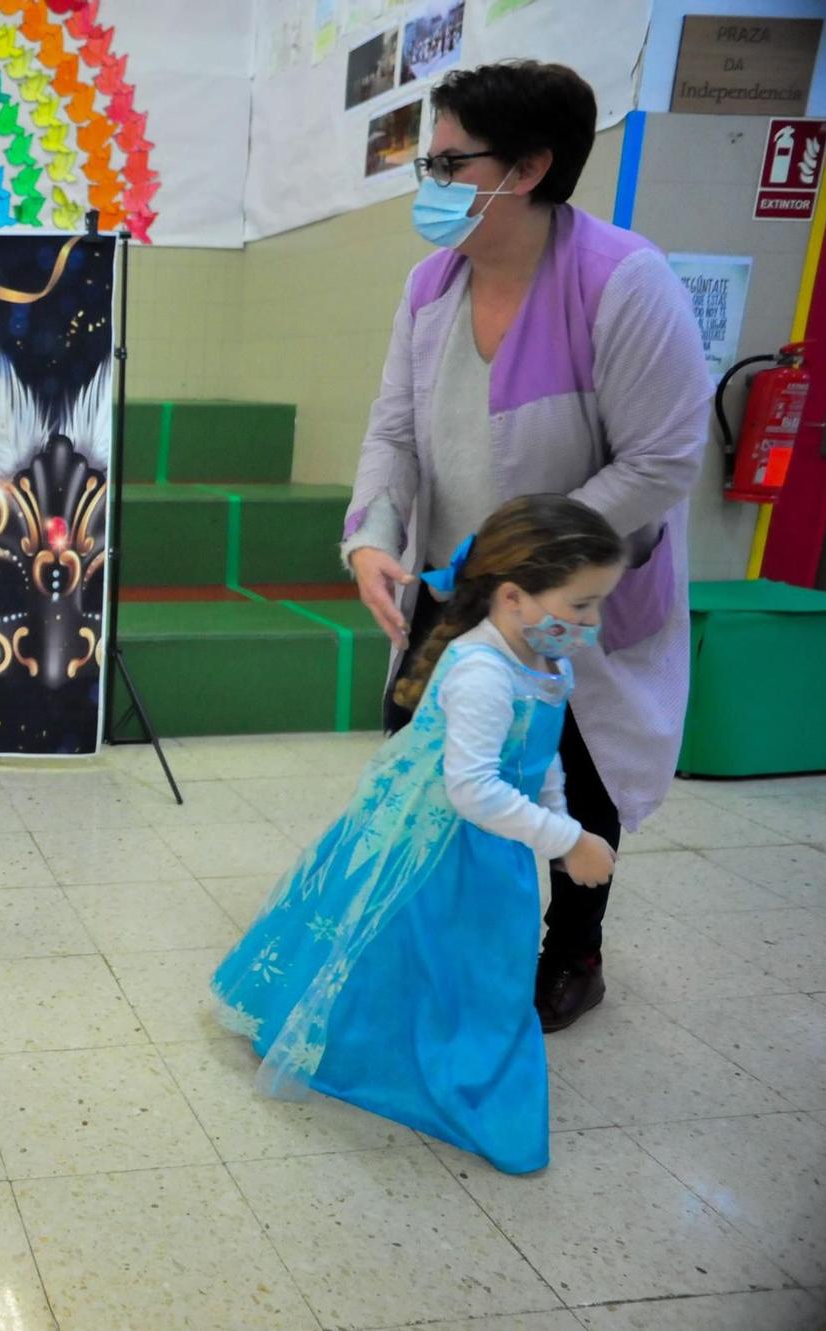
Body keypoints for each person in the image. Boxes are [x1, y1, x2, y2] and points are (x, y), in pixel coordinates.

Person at [342, 61, 710, 1031]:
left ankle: (571, 951)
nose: (427, 184)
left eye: (447, 162)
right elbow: (389, 435)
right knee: (427, 767)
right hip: (453, 592)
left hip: (568, 600)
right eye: (424, 161)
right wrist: (370, 540)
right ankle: (433, 939)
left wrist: (519, 558)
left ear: (530, 166)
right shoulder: (430, 284)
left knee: (574, 780)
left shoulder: (620, 281)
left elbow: (663, 458)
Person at [216, 494, 625, 1175]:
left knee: (475, 956)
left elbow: (543, 753)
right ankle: (390, 1052)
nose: (590, 622)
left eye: (597, 603)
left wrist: (565, 816)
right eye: (580, 604)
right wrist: (564, 840)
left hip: (491, 846)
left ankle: (453, 1041)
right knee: (416, 947)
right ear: (515, 596)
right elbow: (474, 788)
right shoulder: (482, 674)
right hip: (439, 846)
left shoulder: (548, 661)